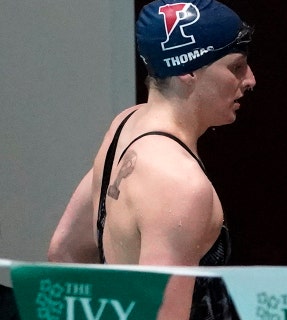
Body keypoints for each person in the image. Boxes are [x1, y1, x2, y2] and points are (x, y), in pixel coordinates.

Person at [48, 0, 255, 319]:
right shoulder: (180, 185)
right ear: (188, 69)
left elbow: (64, 253)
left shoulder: (125, 125)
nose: (250, 80)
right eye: (236, 67)